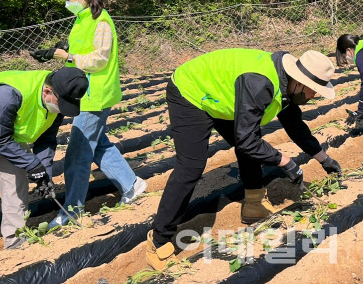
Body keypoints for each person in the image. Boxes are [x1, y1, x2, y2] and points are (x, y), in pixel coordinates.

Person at [144, 49, 340, 270]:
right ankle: (158, 240)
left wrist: (323, 158)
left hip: (222, 95)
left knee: (252, 143)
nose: (314, 97)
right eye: (314, 91)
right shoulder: (261, 84)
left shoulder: (288, 87)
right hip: (191, 92)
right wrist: (285, 161)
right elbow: (247, 140)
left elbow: (295, 127)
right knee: (191, 166)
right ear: (300, 82)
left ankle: (253, 205)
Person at [32, 0, 147, 227]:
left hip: (96, 93)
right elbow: (83, 47)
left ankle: (71, 210)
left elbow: (99, 60)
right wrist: (59, 49)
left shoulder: (101, 21)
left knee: (78, 153)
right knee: (98, 144)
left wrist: (68, 56)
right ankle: (132, 185)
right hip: (84, 92)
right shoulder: (82, 18)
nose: (66, 3)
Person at [0, 67, 88, 264]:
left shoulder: (58, 102)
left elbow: (46, 140)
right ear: (47, 91)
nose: (63, 109)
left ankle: (16, 239)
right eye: (61, 103)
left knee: (17, 182)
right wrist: (31, 164)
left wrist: (43, 172)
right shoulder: (11, 93)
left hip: (6, 134)